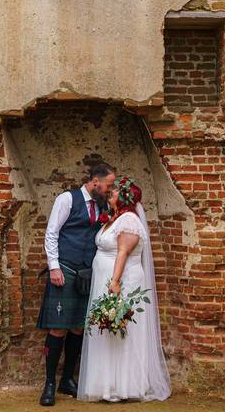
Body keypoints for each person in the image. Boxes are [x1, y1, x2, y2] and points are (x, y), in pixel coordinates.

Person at [78, 176, 171, 402]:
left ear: (127, 197)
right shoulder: (114, 218)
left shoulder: (129, 219)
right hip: (108, 280)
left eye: (117, 190)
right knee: (107, 331)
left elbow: (122, 253)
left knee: (121, 331)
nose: (112, 192)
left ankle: (126, 386)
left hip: (123, 282)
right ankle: (106, 384)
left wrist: (115, 282)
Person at [37, 162, 116, 406]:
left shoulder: (102, 204)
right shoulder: (67, 199)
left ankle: (67, 380)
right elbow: (52, 233)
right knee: (58, 328)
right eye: (108, 185)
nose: (109, 190)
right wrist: (54, 267)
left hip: (87, 272)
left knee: (79, 328)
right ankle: (49, 383)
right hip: (66, 270)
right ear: (95, 182)